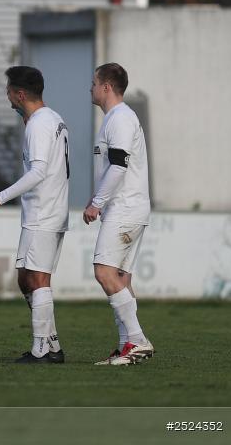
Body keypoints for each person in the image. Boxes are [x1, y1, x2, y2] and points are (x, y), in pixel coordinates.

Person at [0, 66, 69, 364]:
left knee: (37, 279)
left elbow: (39, 171)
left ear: (19, 94)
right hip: (47, 210)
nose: (7, 98)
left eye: (8, 92)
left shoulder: (39, 124)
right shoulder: (53, 118)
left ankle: (42, 350)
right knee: (25, 278)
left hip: (44, 212)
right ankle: (51, 344)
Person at [83, 63, 154, 366]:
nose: (91, 88)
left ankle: (137, 340)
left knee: (104, 271)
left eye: (94, 83)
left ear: (107, 87)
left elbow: (120, 165)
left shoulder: (121, 118)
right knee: (121, 278)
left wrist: (97, 202)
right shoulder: (115, 118)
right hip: (128, 206)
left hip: (125, 207)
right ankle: (127, 347)